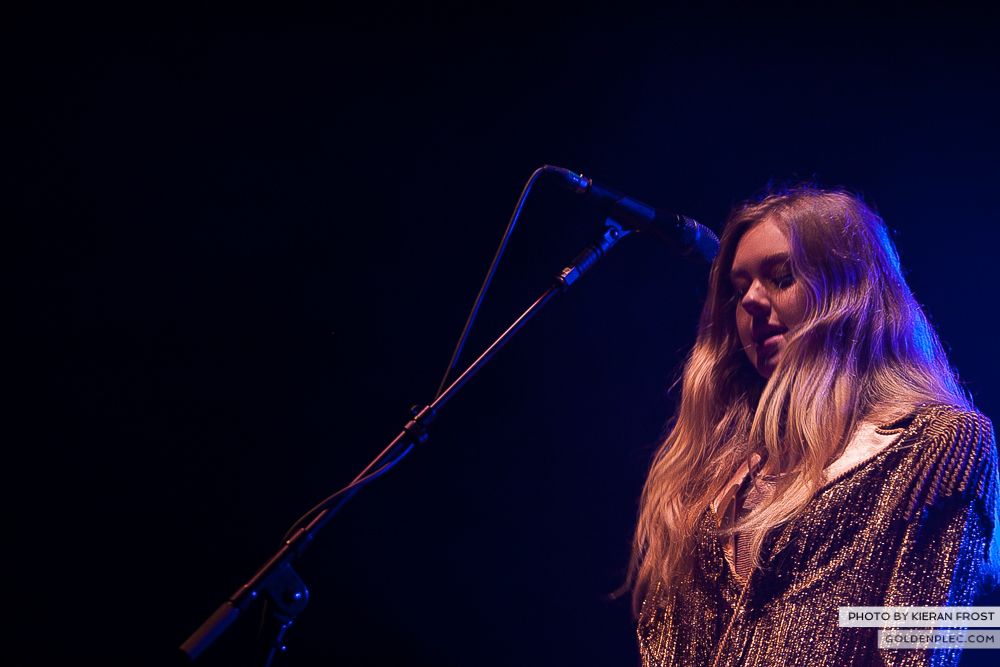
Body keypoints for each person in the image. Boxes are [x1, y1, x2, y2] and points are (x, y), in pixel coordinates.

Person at [625, 185, 1000, 666]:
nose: (752, 302)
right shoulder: (709, 477)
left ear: (852, 292)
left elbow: (920, 645)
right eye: (740, 290)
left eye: (781, 277)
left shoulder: (938, 445)